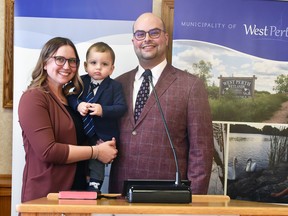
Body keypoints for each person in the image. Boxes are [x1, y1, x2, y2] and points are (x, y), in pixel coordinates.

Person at [109, 13, 214, 194]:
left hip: (170, 198)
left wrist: (194, 202)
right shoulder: (117, 84)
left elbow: (201, 151)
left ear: (166, 38)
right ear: (134, 41)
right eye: (140, 34)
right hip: (121, 196)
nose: (147, 39)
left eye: (154, 33)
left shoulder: (191, 85)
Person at [18, 37, 118, 202]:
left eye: (72, 61)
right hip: (47, 195)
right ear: (44, 62)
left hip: (79, 192)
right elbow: (48, 151)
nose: (67, 66)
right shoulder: (33, 98)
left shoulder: (73, 98)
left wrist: (104, 142)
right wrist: (97, 152)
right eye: (60, 59)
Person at [68, 42, 127, 191]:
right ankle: (80, 182)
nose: (98, 67)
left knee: (97, 162)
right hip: (81, 135)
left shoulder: (115, 86)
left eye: (104, 64)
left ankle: (95, 185)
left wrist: (103, 110)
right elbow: (69, 97)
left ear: (112, 69)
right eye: (94, 63)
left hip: (102, 136)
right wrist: (78, 105)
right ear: (86, 65)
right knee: (80, 160)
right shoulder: (80, 81)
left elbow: (121, 108)